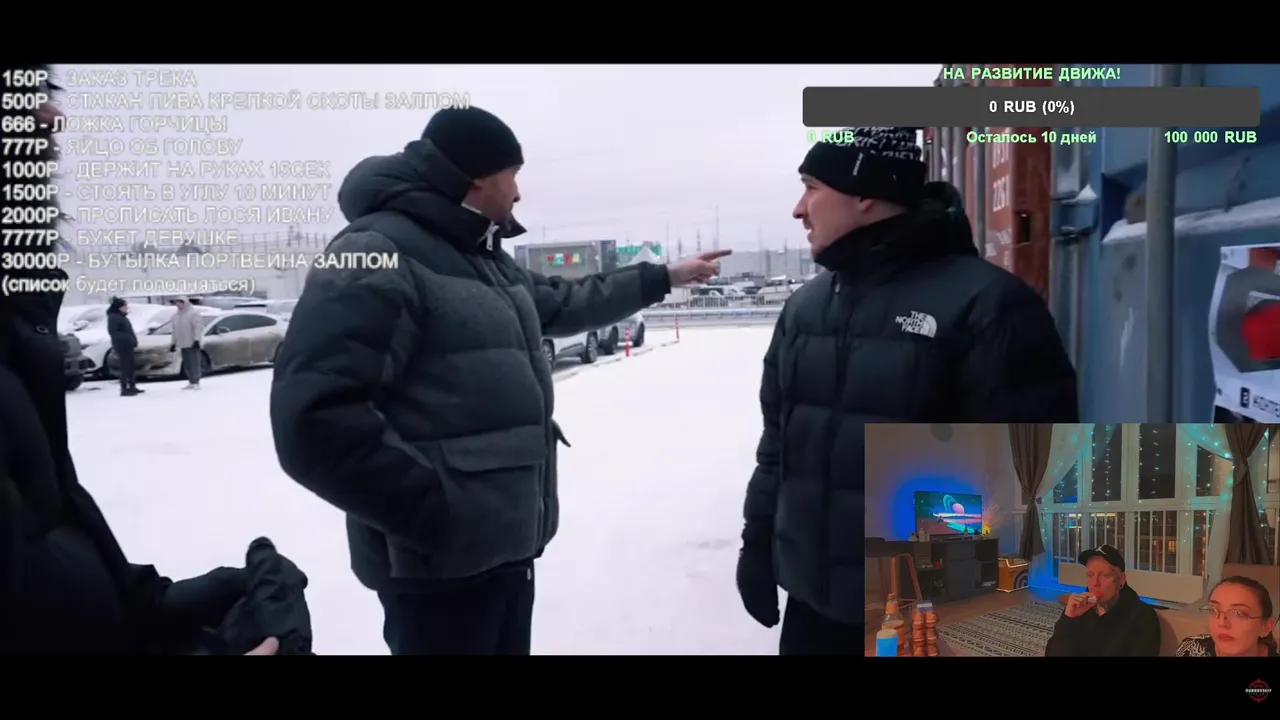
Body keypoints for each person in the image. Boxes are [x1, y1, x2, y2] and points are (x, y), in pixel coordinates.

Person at [270, 106, 728, 656]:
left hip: (501, 551)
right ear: (475, 176)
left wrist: (664, 277)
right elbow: (314, 418)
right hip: (437, 570)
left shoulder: (483, 258)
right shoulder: (376, 252)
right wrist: (435, 514)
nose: (519, 192)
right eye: (513, 174)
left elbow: (564, 301)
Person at [735, 126, 1079, 655]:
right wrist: (757, 542)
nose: (799, 210)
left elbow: (1030, 482)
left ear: (865, 195)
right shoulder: (806, 310)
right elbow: (778, 449)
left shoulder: (988, 307)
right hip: (814, 611)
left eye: (812, 188)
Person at [1, 64, 278, 655]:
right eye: (15, 97)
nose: (51, 117)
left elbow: (43, 555)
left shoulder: (17, 332)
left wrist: (154, 609)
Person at [1043, 545, 1161, 656]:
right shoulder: (1079, 609)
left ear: (1121, 580)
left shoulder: (1143, 616)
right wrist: (1068, 619)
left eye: (1104, 575)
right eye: (1090, 575)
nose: (1095, 583)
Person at [1176, 576, 1278, 657]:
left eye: (1238, 613)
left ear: (1266, 627)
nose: (1222, 623)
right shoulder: (1191, 648)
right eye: (1213, 610)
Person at [106, 296, 142, 396]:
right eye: (124, 306)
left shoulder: (122, 317)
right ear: (118, 307)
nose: (126, 308)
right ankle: (124, 388)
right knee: (125, 367)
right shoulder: (113, 317)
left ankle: (132, 386)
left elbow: (129, 330)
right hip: (122, 345)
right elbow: (114, 332)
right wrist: (127, 339)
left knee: (131, 366)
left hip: (128, 345)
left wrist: (133, 340)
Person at [167, 296, 205, 389]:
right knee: (187, 363)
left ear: (185, 303)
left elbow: (198, 328)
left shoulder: (193, 314)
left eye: (180, 303)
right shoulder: (175, 316)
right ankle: (191, 380)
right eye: (177, 303)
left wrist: (197, 340)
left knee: (194, 363)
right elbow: (175, 331)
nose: (178, 305)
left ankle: (196, 381)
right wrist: (173, 343)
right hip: (182, 343)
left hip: (192, 343)